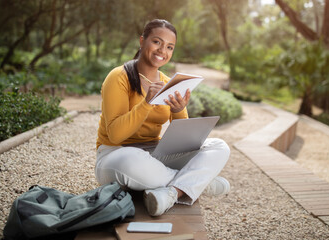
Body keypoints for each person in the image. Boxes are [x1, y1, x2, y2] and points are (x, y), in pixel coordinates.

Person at [95, 19, 230, 216]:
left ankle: (172, 192)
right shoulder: (119, 77)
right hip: (116, 156)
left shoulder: (170, 83)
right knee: (131, 160)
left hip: (156, 156)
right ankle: (198, 183)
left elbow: (184, 141)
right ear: (142, 41)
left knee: (219, 146)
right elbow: (116, 136)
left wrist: (179, 109)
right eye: (156, 42)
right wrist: (147, 103)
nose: (162, 51)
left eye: (169, 47)